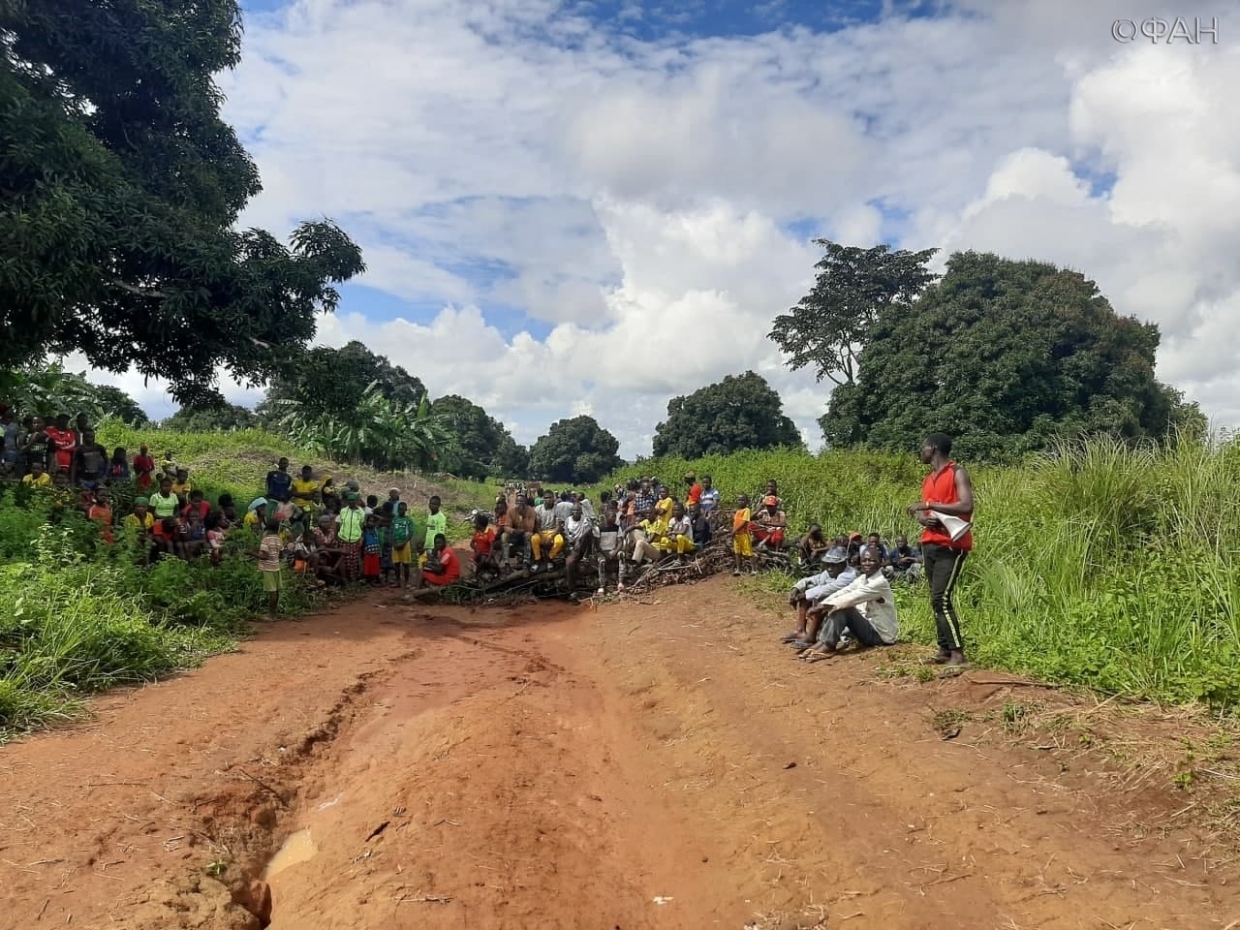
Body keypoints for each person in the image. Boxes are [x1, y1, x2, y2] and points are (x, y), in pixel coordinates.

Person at [907, 432, 974, 667]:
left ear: (933, 448)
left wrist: (929, 505)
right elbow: (925, 513)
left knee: (941, 598)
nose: (921, 451)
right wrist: (923, 518)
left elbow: (966, 505)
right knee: (936, 600)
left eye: (923, 447)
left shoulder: (957, 472)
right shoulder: (928, 479)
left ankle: (958, 654)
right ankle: (944, 650)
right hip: (930, 542)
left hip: (951, 545)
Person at [800, 548, 899, 662]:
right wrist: (823, 604)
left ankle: (829, 646)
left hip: (880, 635)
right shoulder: (862, 578)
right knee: (837, 604)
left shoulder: (880, 582)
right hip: (868, 626)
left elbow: (852, 597)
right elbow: (845, 591)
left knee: (844, 607)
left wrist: (821, 607)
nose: (867, 563)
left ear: (880, 562)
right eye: (864, 560)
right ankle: (823, 642)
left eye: (872, 560)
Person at [784, 547, 856, 649]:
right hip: (827, 615)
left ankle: (811, 636)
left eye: (833, 564)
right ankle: (800, 630)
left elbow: (827, 589)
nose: (829, 568)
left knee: (823, 597)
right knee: (807, 588)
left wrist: (804, 595)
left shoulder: (849, 575)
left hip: (844, 617)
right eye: (828, 564)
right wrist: (796, 589)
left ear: (843, 563)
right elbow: (812, 580)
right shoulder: (830, 571)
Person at [255, 517, 285, 621]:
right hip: (276, 567)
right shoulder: (278, 539)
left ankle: (270, 615)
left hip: (268, 568)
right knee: (276, 591)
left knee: (272, 592)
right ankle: (274, 613)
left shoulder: (266, 540)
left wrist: (251, 553)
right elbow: (281, 555)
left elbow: (265, 556)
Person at [562, 502, 597, 591]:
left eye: (578, 510)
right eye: (574, 510)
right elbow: (565, 531)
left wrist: (579, 539)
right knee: (569, 564)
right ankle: (571, 588)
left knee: (588, 534)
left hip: (581, 545)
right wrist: (568, 537)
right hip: (571, 545)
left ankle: (571, 588)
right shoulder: (568, 520)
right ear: (571, 511)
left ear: (581, 512)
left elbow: (589, 528)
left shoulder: (584, 519)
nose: (576, 512)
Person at [335, 492, 366, 583]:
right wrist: (337, 538)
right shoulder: (343, 511)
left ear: (357, 501)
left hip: (355, 539)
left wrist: (361, 539)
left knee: (353, 560)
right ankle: (344, 579)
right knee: (343, 559)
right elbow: (339, 525)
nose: (351, 502)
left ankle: (353, 579)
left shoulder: (361, 512)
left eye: (353, 500)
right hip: (343, 539)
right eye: (349, 500)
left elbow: (362, 527)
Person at [390, 501, 417, 588]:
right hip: (395, 545)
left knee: (406, 565)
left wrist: (403, 543)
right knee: (396, 564)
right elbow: (391, 532)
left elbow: (410, 533)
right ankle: (398, 581)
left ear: (406, 509)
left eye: (402, 509)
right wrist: (393, 543)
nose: (400, 510)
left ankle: (406, 582)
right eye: (399, 509)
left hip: (405, 545)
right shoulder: (394, 520)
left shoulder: (408, 520)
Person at [470, 511, 499, 578]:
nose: (475, 524)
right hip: (478, 553)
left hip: (486, 553)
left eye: (476, 522)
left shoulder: (489, 532)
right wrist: (476, 549)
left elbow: (492, 546)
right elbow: (471, 544)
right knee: (480, 561)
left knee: (486, 561)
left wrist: (489, 557)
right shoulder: (477, 532)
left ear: (480, 524)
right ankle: (477, 574)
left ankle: (476, 575)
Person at [731, 494, 754, 576]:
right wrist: (734, 531)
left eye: (742, 500)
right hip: (737, 535)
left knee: (749, 552)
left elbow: (744, 522)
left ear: (746, 501)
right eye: (739, 500)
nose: (740, 501)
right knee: (737, 553)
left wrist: (735, 530)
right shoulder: (737, 511)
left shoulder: (746, 510)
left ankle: (753, 570)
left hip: (743, 534)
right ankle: (738, 569)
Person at [423, 495, 448, 559]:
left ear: (439, 505)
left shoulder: (441, 517)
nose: (432, 505)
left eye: (434, 504)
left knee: (434, 565)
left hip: (434, 547)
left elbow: (440, 535)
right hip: (427, 545)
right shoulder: (429, 516)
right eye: (431, 503)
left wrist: (436, 549)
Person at [361, 514, 383, 584]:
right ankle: (367, 579)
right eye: (369, 521)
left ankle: (373, 580)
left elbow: (380, 518)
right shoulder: (365, 530)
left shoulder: (375, 528)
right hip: (368, 551)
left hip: (375, 551)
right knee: (367, 566)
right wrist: (368, 516)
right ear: (367, 522)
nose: (371, 523)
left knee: (374, 566)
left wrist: (372, 514)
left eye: (373, 521)